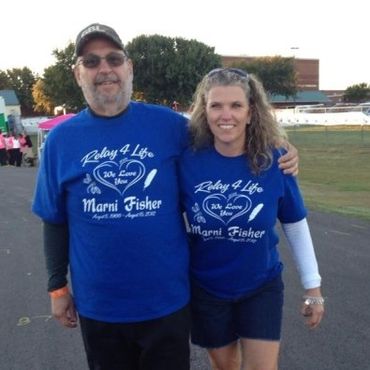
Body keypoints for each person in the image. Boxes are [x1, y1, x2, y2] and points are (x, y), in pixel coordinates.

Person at [32, 23, 299, 370]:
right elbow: (53, 219)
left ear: (129, 67)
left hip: (167, 302)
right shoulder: (61, 141)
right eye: (92, 62)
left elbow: (228, 133)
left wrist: (280, 147)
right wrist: (56, 287)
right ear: (77, 73)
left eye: (114, 59)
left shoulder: (171, 127)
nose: (105, 69)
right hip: (100, 305)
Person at [179, 68, 324, 370]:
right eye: (216, 105)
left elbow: (295, 224)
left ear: (250, 112)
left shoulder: (275, 161)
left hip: (261, 287)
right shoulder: (187, 161)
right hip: (206, 289)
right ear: (204, 111)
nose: (225, 115)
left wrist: (313, 289)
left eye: (236, 105)